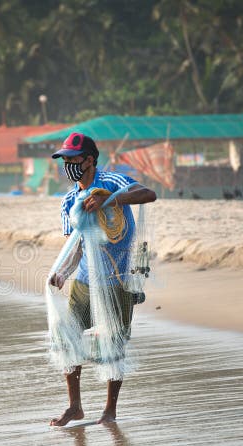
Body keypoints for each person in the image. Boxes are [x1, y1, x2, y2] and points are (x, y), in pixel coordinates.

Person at [47, 132, 156, 426]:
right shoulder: (69, 201)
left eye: (72, 159)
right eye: (64, 160)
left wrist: (109, 202)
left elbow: (148, 194)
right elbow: (75, 245)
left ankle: (110, 411)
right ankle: (75, 407)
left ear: (89, 160)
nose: (67, 164)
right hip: (85, 281)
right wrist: (62, 273)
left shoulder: (112, 183)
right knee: (66, 337)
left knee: (115, 343)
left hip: (119, 280)